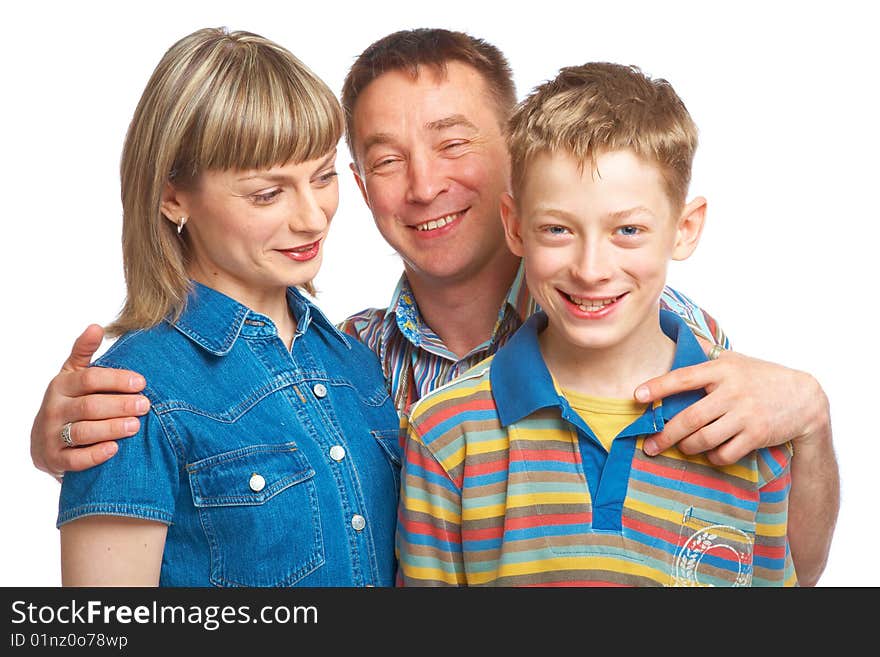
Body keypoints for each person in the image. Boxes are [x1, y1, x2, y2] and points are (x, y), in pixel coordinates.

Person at [31, 28, 838, 585]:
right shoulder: (357, 357)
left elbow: (779, 562)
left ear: (515, 160)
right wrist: (63, 438)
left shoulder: (666, 329)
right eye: (384, 159)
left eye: (454, 143)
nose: (422, 185)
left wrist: (810, 414)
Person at [398, 61, 796, 586]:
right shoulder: (446, 433)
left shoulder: (748, 431)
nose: (590, 269)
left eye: (627, 229)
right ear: (516, 227)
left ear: (685, 228)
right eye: (558, 229)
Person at [56, 27, 400, 586]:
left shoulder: (356, 364)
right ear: (172, 197)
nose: (312, 218)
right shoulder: (129, 394)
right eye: (268, 193)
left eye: (324, 176)